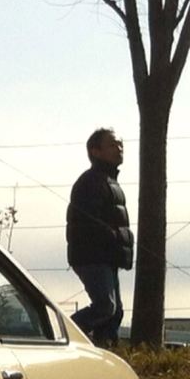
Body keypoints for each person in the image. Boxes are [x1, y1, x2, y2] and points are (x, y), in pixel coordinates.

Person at [66, 128, 134, 346]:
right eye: (113, 144)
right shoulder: (90, 182)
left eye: (121, 144)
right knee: (106, 306)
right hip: (91, 256)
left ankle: (106, 351)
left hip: (107, 256)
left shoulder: (109, 181)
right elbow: (87, 222)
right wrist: (115, 238)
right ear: (95, 151)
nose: (119, 148)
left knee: (114, 312)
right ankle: (60, 333)